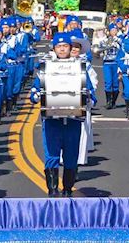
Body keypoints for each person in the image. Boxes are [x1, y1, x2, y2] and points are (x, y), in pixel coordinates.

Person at [31, 31, 94, 197]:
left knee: (71, 156)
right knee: (51, 154)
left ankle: (67, 189)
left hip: (73, 120)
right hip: (52, 120)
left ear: (70, 47)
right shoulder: (46, 67)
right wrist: (35, 94)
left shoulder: (79, 67)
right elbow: (36, 88)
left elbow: (90, 91)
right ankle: (52, 190)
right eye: (59, 46)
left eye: (65, 46)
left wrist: (88, 98)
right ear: (54, 48)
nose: (62, 49)